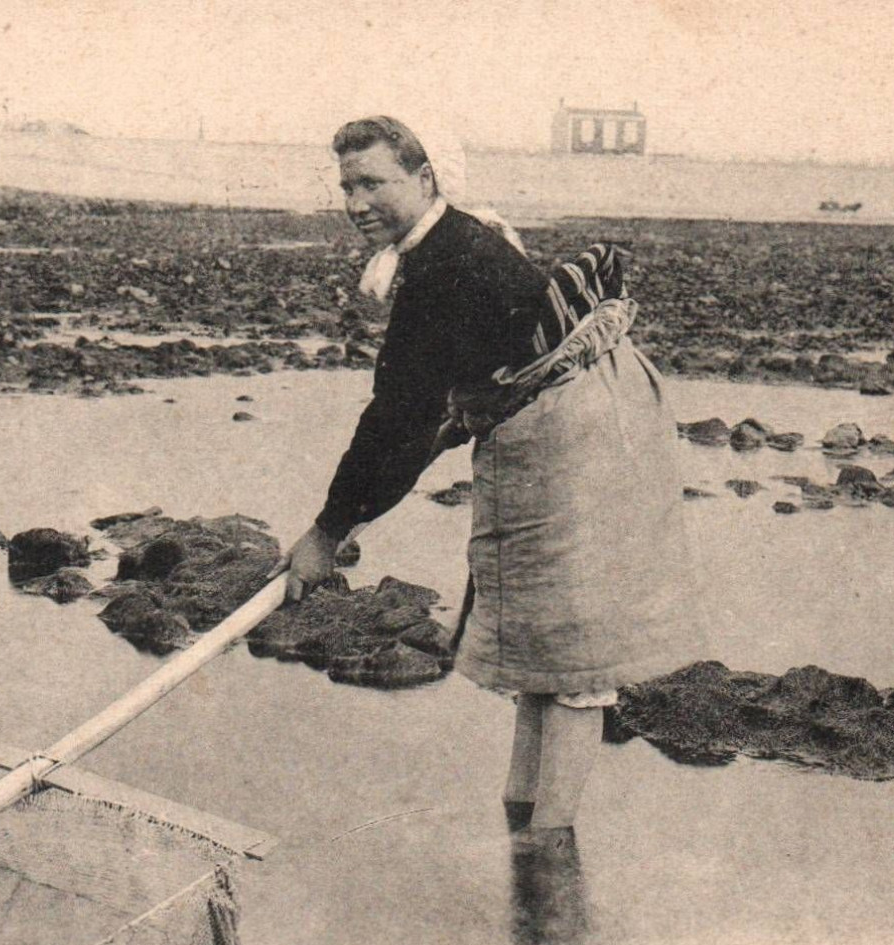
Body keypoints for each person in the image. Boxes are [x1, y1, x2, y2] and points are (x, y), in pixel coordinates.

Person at [275, 115, 705, 848]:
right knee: (539, 629)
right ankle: (521, 815)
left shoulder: (446, 265)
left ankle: (546, 844)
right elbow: (434, 402)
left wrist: (327, 532)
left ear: (425, 178)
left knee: (572, 646)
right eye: (346, 185)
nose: (355, 203)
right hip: (544, 416)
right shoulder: (446, 243)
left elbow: (396, 417)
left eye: (372, 182)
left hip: (584, 427)